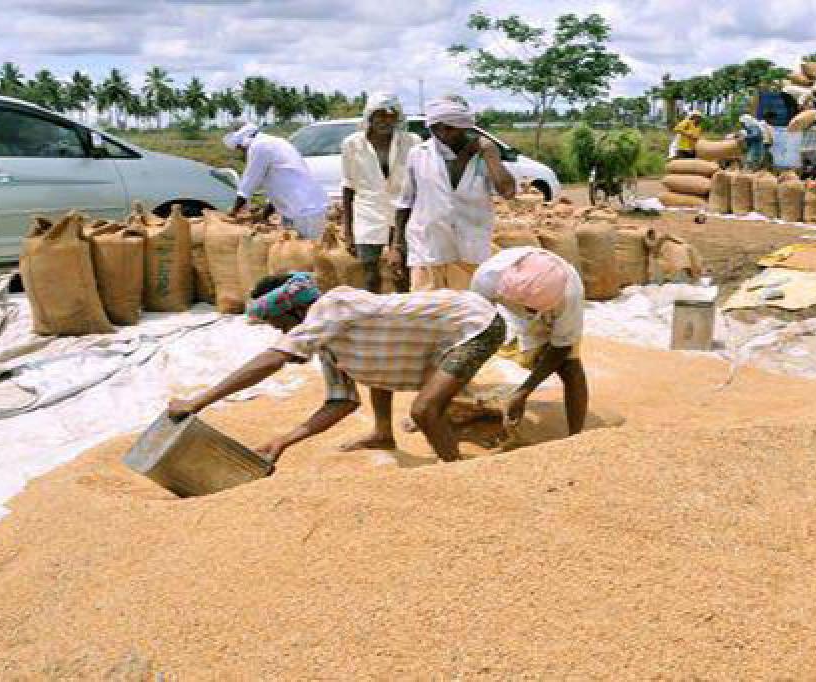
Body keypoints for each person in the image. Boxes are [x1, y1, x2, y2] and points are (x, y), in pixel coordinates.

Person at [167, 273, 506, 464]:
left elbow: (275, 358)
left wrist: (199, 401)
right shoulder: (329, 339)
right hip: (448, 330)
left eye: (277, 323)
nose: (279, 331)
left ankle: (458, 472)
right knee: (373, 367)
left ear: (293, 313)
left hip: (474, 323)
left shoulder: (332, 306)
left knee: (424, 411)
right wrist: (283, 441)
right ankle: (383, 433)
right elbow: (341, 402)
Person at [393, 95, 516, 292]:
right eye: (438, 127)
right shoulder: (418, 154)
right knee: (429, 311)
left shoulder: (482, 157)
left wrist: (492, 154)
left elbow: (507, 191)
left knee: (470, 312)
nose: (444, 133)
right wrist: (397, 246)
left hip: (470, 251)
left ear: (464, 127)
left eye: (451, 128)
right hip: (428, 249)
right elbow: (405, 203)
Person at [469, 247, 588, 435]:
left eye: (533, 309)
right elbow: (475, 324)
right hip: (506, 310)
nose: (529, 313)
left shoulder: (569, 295)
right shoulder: (488, 276)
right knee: (475, 345)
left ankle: (576, 436)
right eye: (527, 308)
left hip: (549, 316)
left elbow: (562, 346)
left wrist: (523, 392)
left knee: (570, 368)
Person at [340, 93, 420, 293]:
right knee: (369, 273)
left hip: (402, 214)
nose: (385, 121)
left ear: (397, 118)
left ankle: (404, 315)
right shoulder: (352, 144)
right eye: (380, 116)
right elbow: (348, 187)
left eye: (390, 116)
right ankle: (374, 314)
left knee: (401, 271)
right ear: (370, 117)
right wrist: (348, 231)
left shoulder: (411, 142)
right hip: (367, 214)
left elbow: (419, 183)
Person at [223, 123, 328, 239]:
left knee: (304, 252)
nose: (243, 153)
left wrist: (233, 213)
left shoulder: (259, 146)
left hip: (304, 210)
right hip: (298, 209)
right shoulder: (274, 142)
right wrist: (264, 215)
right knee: (290, 251)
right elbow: (279, 187)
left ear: (244, 141)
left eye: (241, 149)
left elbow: (248, 182)